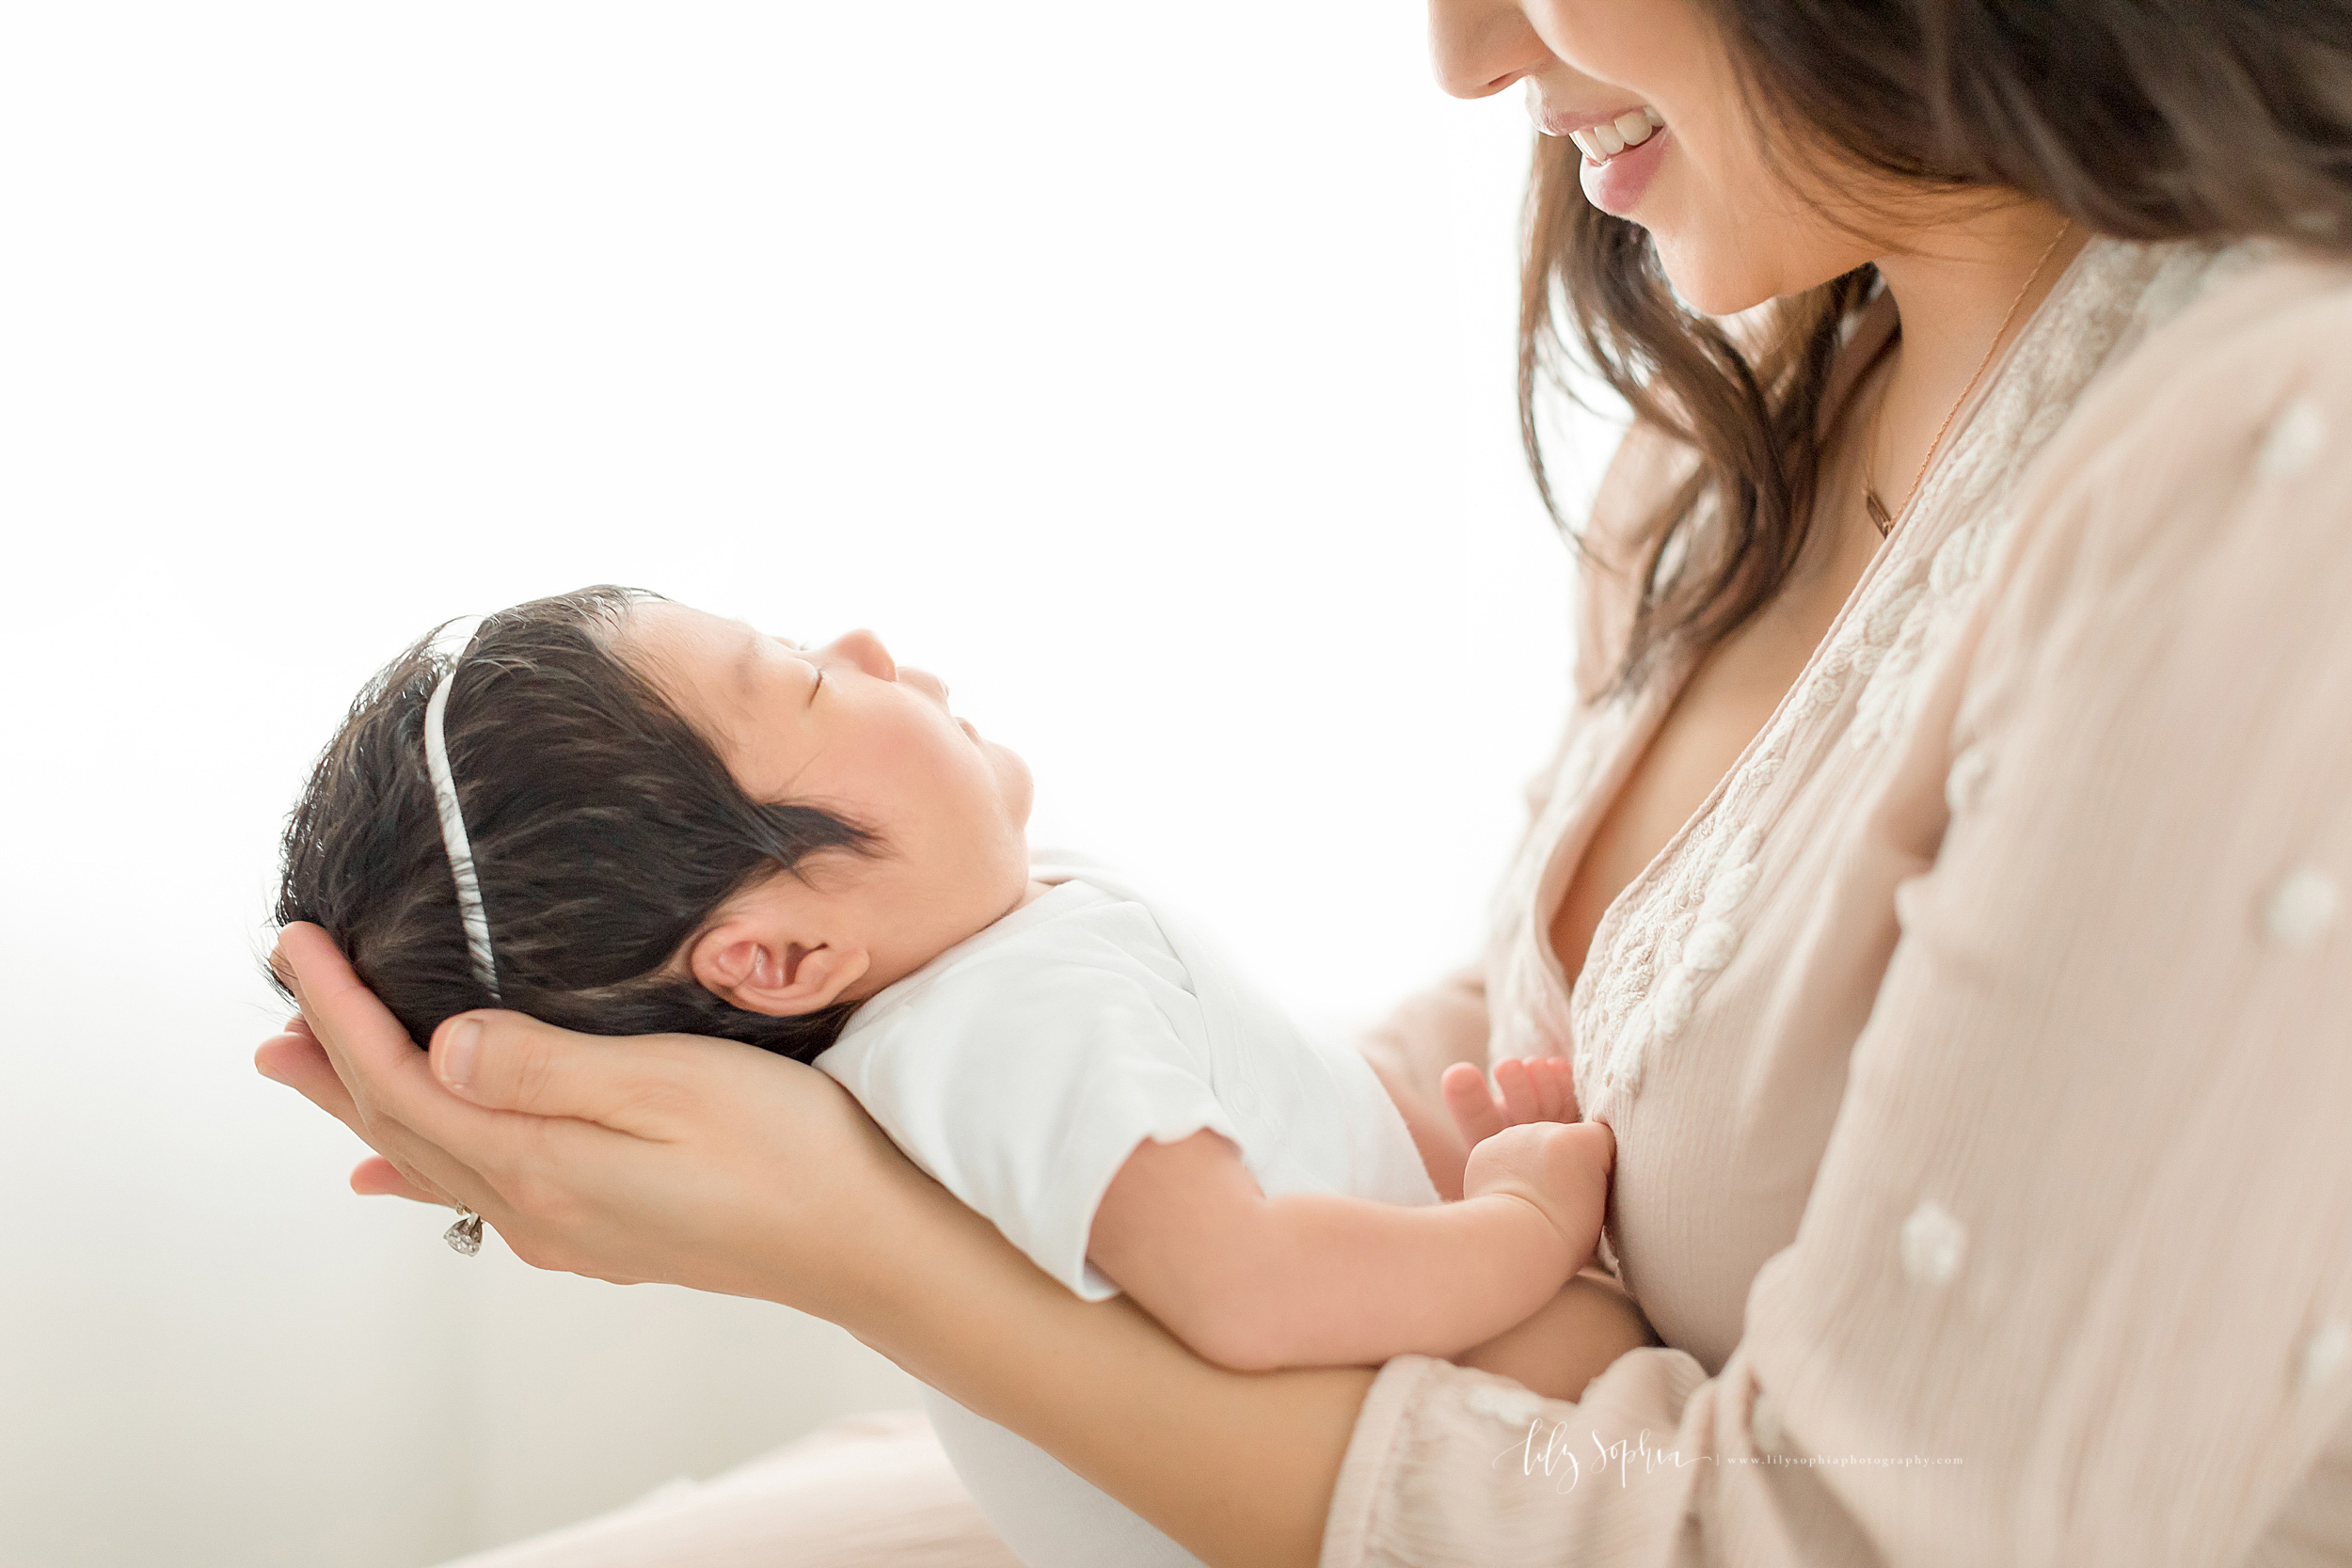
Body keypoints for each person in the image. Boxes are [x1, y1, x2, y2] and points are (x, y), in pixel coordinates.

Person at [258, 0, 2352, 1561]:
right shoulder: (1756, 400)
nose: (1457, 58)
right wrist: (1094, 1133)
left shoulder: (2262, 473)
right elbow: (1607, 1016)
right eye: (803, 684)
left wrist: (859, 1243)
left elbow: (1872, 1528)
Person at [273, 588, 1636, 1563]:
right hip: (1404, 1480)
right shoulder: (1006, 1028)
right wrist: (1520, 1222)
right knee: (1584, 1348)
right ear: (783, 955)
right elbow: (1250, 1288)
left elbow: (1271, 1119)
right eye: (809, 681)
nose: (864, 644)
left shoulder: (995, 967)